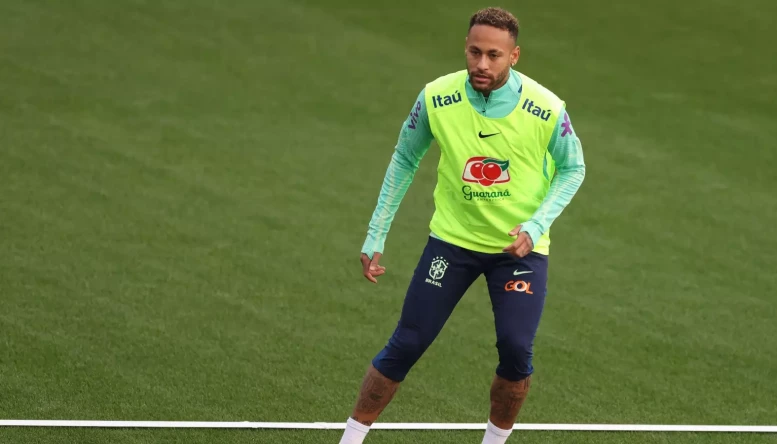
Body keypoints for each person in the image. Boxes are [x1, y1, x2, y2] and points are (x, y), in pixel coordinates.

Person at [338, 6, 586, 444]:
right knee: (408, 342)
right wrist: (377, 233)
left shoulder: (546, 108)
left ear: (515, 56)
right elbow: (404, 157)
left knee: (515, 350)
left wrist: (536, 224)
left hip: (519, 252)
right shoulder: (437, 97)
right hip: (451, 243)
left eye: (494, 55)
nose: (482, 64)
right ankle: (352, 438)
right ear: (465, 49)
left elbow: (573, 168)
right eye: (475, 52)